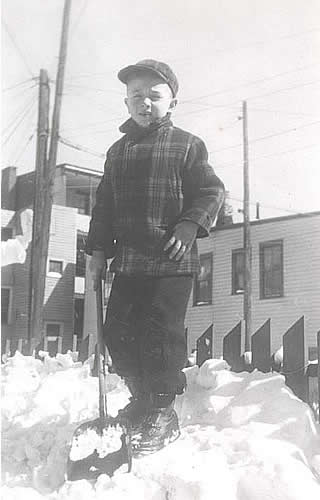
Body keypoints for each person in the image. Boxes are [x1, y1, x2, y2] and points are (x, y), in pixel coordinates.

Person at [85, 59, 225, 455]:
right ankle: (141, 398)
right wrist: (96, 251)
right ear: (126, 102)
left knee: (160, 336)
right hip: (128, 261)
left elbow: (211, 191)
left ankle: (162, 410)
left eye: (154, 95)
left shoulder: (187, 145)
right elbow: (104, 206)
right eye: (136, 96)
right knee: (118, 330)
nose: (144, 102)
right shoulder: (117, 152)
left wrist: (190, 224)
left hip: (171, 261)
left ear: (173, 102)